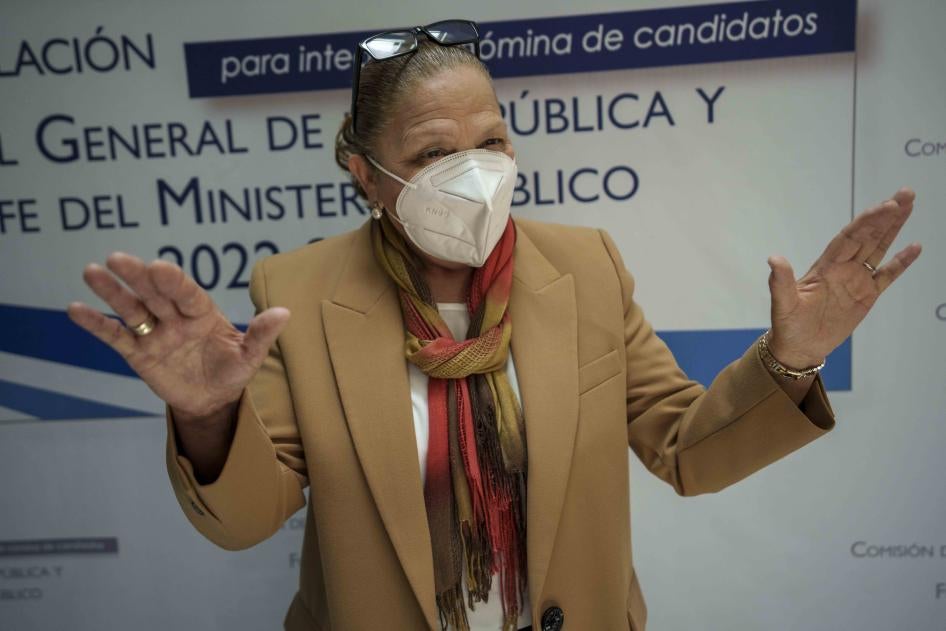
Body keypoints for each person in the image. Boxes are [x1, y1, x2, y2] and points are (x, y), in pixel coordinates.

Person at [67, 19, 922, 631]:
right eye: (435, 154)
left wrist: (791, 358)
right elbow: (249, 518)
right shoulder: (298, 290)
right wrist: (209, 414)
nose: (476, 174)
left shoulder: (586, 266)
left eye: (493, 143)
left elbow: (685, 448)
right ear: (366, 175)